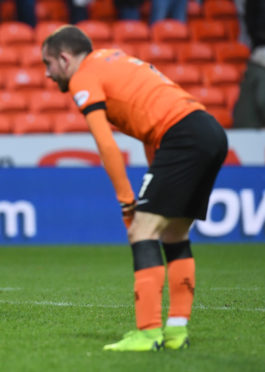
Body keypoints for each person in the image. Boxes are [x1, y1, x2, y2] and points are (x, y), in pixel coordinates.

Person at [41, 25, 228, 351]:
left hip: (181, 136)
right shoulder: (112, 59)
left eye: (49, 64)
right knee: (174, 234)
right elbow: (149, 128)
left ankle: (147, 332)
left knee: (141, 230)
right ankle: (176, 332)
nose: (47, 73)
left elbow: (105, 144)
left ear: (65, 58)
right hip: (207, 131)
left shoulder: (82, 76)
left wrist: (127, 200)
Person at [233, 0, 265, 128]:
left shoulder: (253, 69)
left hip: (246, 129)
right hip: (252, 131)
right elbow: (263, 102)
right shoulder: (260, 72)